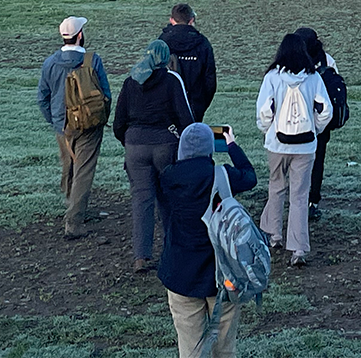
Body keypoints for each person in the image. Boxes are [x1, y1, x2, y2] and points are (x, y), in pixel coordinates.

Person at [159, 122, 257, 358]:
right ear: (210, 147)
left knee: (190, 350)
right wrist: (232, 145)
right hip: (222, 275)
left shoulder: (167, 177)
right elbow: (250, 176)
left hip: (180, 274)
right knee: (224, 348)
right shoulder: (222, 176)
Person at [112, 39, 194, 273]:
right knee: (168, 198)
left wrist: (128, 142)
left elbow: (119, 121)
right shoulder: (171, 81)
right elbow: (185, 119)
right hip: (165, 145)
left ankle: (141, 255)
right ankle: (173, 250)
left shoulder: (130, 82)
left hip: (135, 146)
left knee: (141, 200)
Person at [256, 32, 332, 268]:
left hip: (277, 144)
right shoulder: (313, 78)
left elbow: (264, 111)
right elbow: (325, 110)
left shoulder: (272, 77)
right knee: (300, 195)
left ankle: (273, 234)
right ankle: (298, 248)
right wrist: (316, 130)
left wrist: (267, 130)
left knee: (276, 186)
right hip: (305, 145)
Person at [37, 16, 112, 239]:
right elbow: (106, 94)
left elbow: (42, 97)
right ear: (80, 36)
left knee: (68, 167)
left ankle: (73, 207)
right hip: (89, 125)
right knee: (83, 172)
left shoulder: (50, 63)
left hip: (63, 125)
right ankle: (74, 221)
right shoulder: (93, 60)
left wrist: (55, 121)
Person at [293, 27, 338, 222]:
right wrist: (321, 126)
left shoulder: (290, 60)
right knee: (317, 162)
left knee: (294, 162)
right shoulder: (327, 60)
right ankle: (312, 202)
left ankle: (297, 200)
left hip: (294, 123)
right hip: (320, 124)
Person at [160, 3, 217, 123]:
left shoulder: (162, 43)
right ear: (191, 20)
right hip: (194, 104)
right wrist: (201, 104)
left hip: (165, 104)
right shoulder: (202, 43)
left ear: (171, 20)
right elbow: (210, 79)